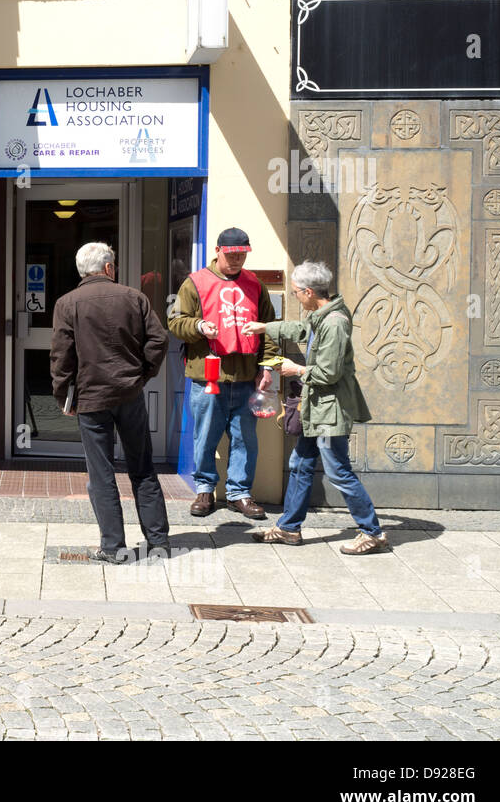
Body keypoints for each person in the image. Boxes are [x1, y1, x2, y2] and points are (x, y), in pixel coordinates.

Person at [241, 261, 388, 554]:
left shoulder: (334, 323)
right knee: (300, 465)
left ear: (309, 292)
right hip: (317, 409)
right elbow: (299, 329)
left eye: (296, 293)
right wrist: (263, 327)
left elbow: (328, 373)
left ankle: (373, 532)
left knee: (337, 471)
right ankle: (288, 528)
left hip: (329, 412)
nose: (296, 296)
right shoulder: (323, 315)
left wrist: (295, 369)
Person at [51, 242, 171, 563]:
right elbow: (159, 339)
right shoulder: (135, 298)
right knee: (142, 467)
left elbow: (61, 358)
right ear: (108, 268)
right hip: (130, 393)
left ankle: (113, 547)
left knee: (101, 473)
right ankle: (158, 542)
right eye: (113, 264)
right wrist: (143, 375)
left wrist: (64, 396)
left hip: (91, 399)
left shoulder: (67, 303)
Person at [168, 227, 277, 519]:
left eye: (241, 255)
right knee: (204, 438)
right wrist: (199, 327)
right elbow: (175, 322)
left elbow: (270, 328)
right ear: (217, 251)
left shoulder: (255, 284)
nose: (237, 260)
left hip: (245, 378)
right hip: (208, 377)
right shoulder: (194, 283)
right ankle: (204, 490)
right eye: (231, 255)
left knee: (245, 439)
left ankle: (239, 493)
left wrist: (267, 367)